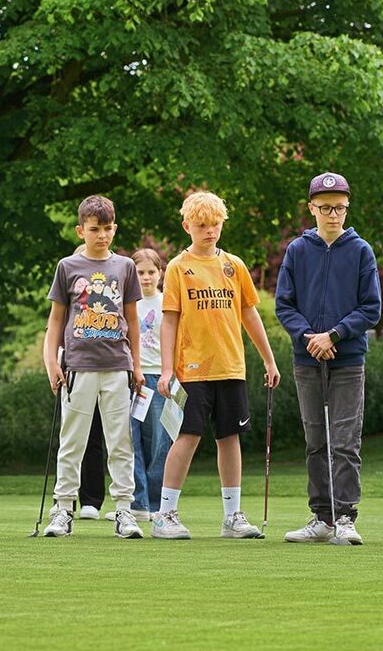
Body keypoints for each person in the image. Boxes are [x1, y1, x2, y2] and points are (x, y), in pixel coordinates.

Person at [152, 191, 280, 540]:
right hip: (191, 370)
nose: (210, 231)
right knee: (188, 436)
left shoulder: (234, 266)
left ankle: (232, 516)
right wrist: (167, 369)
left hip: (231, 367)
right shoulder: (178, 267)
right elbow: (169, 321)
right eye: (202, 225)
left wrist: (268, 359)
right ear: (187, 227)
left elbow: (249, 314)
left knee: (229, 437)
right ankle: (165, 515)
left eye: (215, 224)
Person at [274, 172, 382, 546]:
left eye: (339, 207)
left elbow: (371, 308)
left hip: (347, 358)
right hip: (307, 358)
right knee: (316, 441)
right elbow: (284, 304)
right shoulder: (297, 250)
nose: (332, 214)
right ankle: (322, 517)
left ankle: (345, 517)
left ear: (347, 208)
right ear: (312, 208)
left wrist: (334, 334)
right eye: (325, 207)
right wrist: (310, 338)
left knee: (345, 441)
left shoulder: (361, 251)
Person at [42, 195, 144, 538]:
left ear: (115, 229)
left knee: (120, 441)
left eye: (108, 228)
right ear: (80, 230)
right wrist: (51, 362)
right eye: (95, 229)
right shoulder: (67, 267)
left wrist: (137, 366)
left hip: (117, 365)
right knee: (72, 440)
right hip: (78, 366)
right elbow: (56, 320)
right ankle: (63, 508)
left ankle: (124, 510)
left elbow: (132, 320)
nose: (102, 235)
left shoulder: (125, 267)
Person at [130, 247, 173, 519]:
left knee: (159, 443)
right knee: (131, 442)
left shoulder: (167, 302)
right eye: (140, 272)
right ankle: (138, 502)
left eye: (150, 272)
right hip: (132, 378)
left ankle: (156, 503)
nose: (145, 278)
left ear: (160, 273)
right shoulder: (128, 303)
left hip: (159, 378)